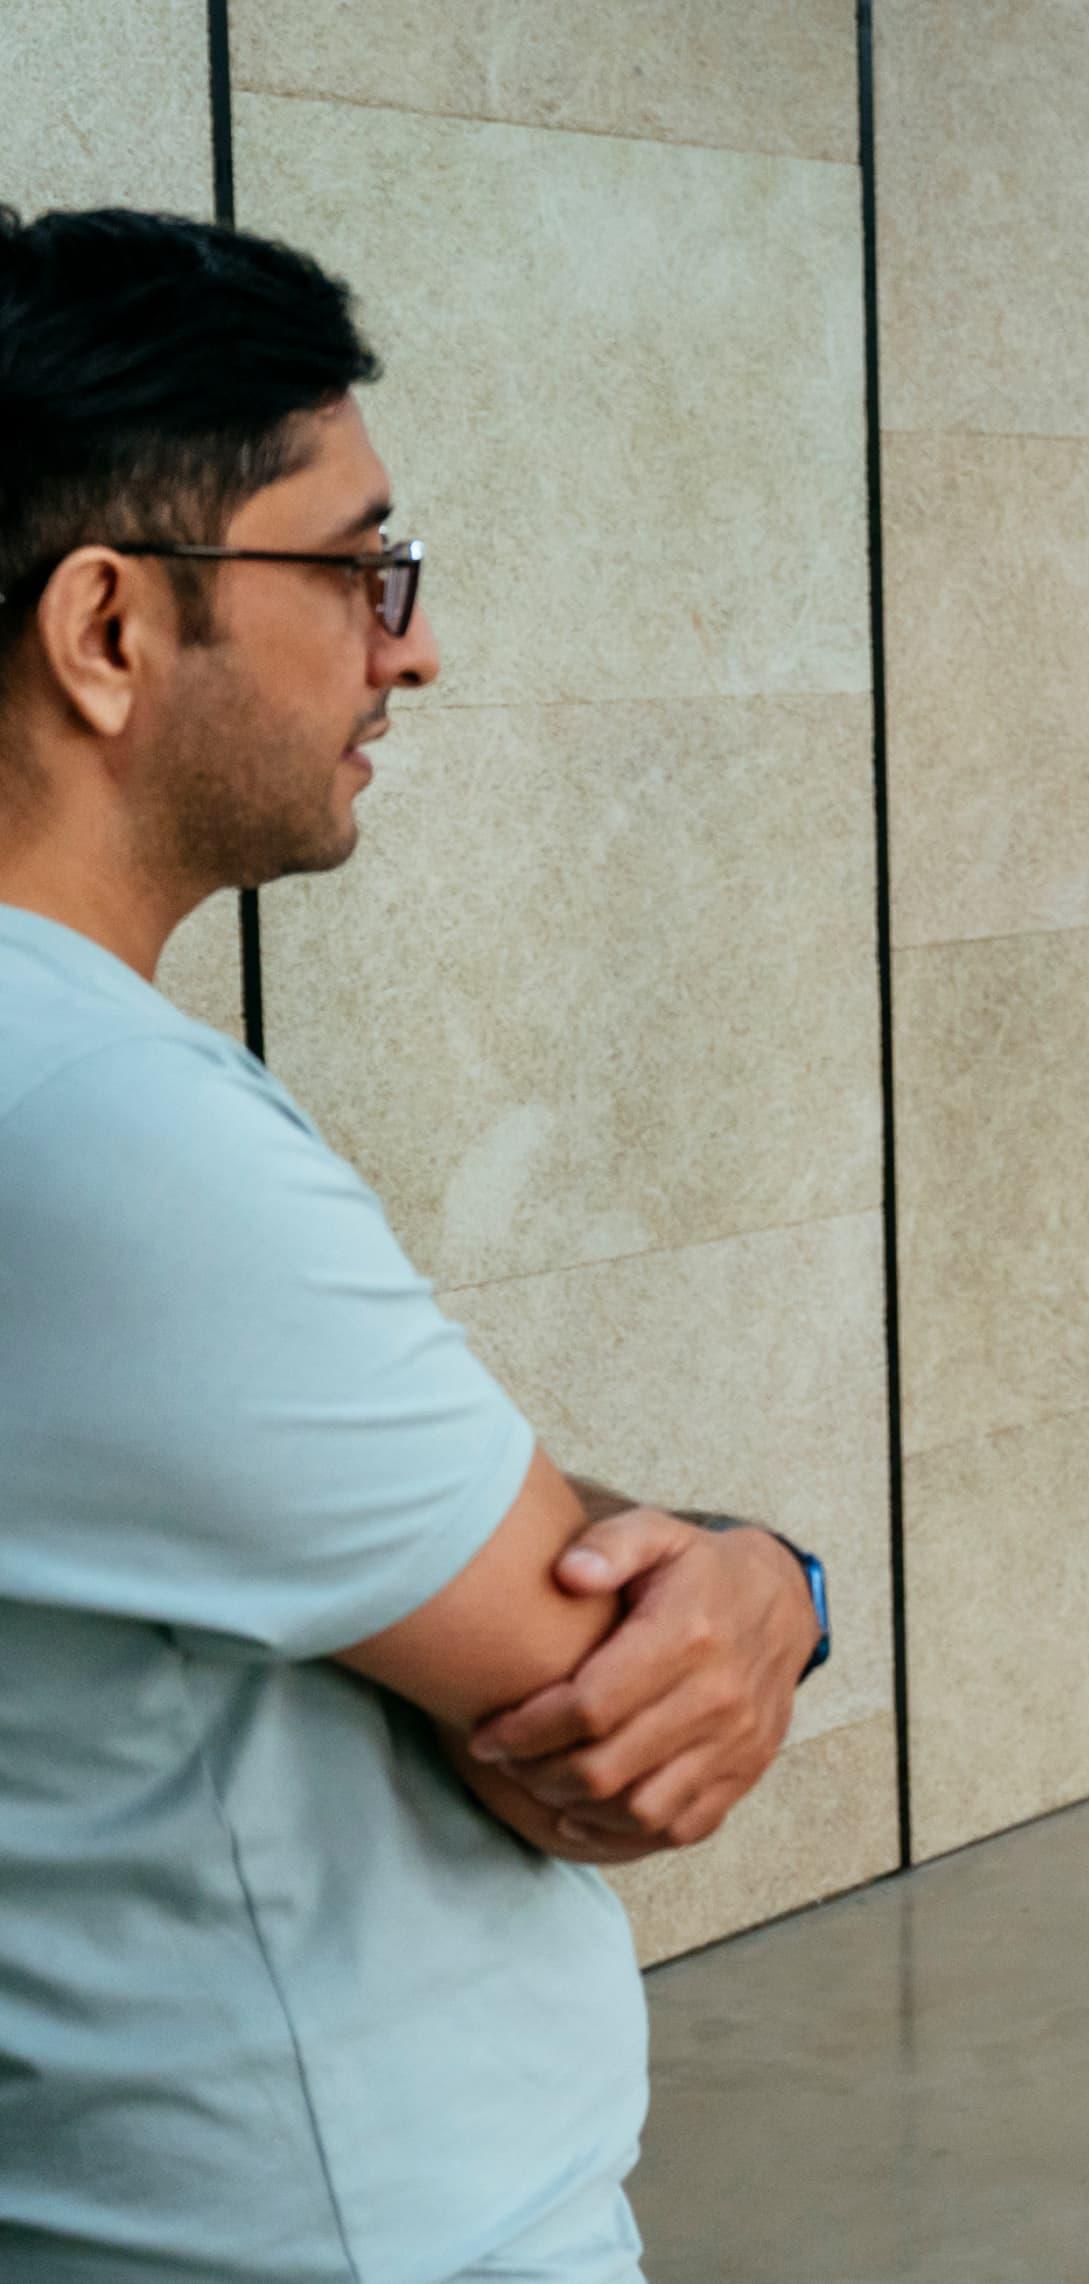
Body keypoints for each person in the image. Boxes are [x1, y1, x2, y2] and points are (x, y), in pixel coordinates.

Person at [0, 207, 832, 2283]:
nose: (415, 641)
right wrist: (769, 1579)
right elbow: (605, 1712)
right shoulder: (100, 1132)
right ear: (108, 626)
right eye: (357, 564)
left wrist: (733, 1583)